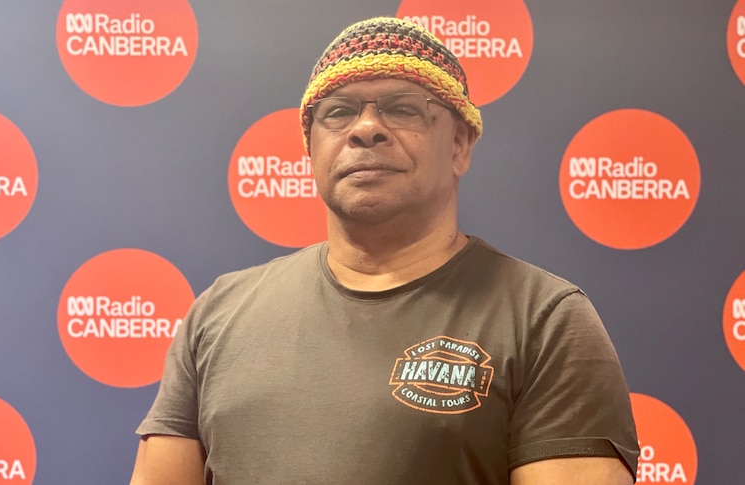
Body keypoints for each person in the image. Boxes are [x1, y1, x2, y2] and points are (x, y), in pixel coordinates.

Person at [129, 16, 639, 485]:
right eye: (339, 112)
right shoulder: (217, 314)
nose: (366, 128)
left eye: (402, 109)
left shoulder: (543, 320)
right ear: (310, 149)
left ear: (460, 144)